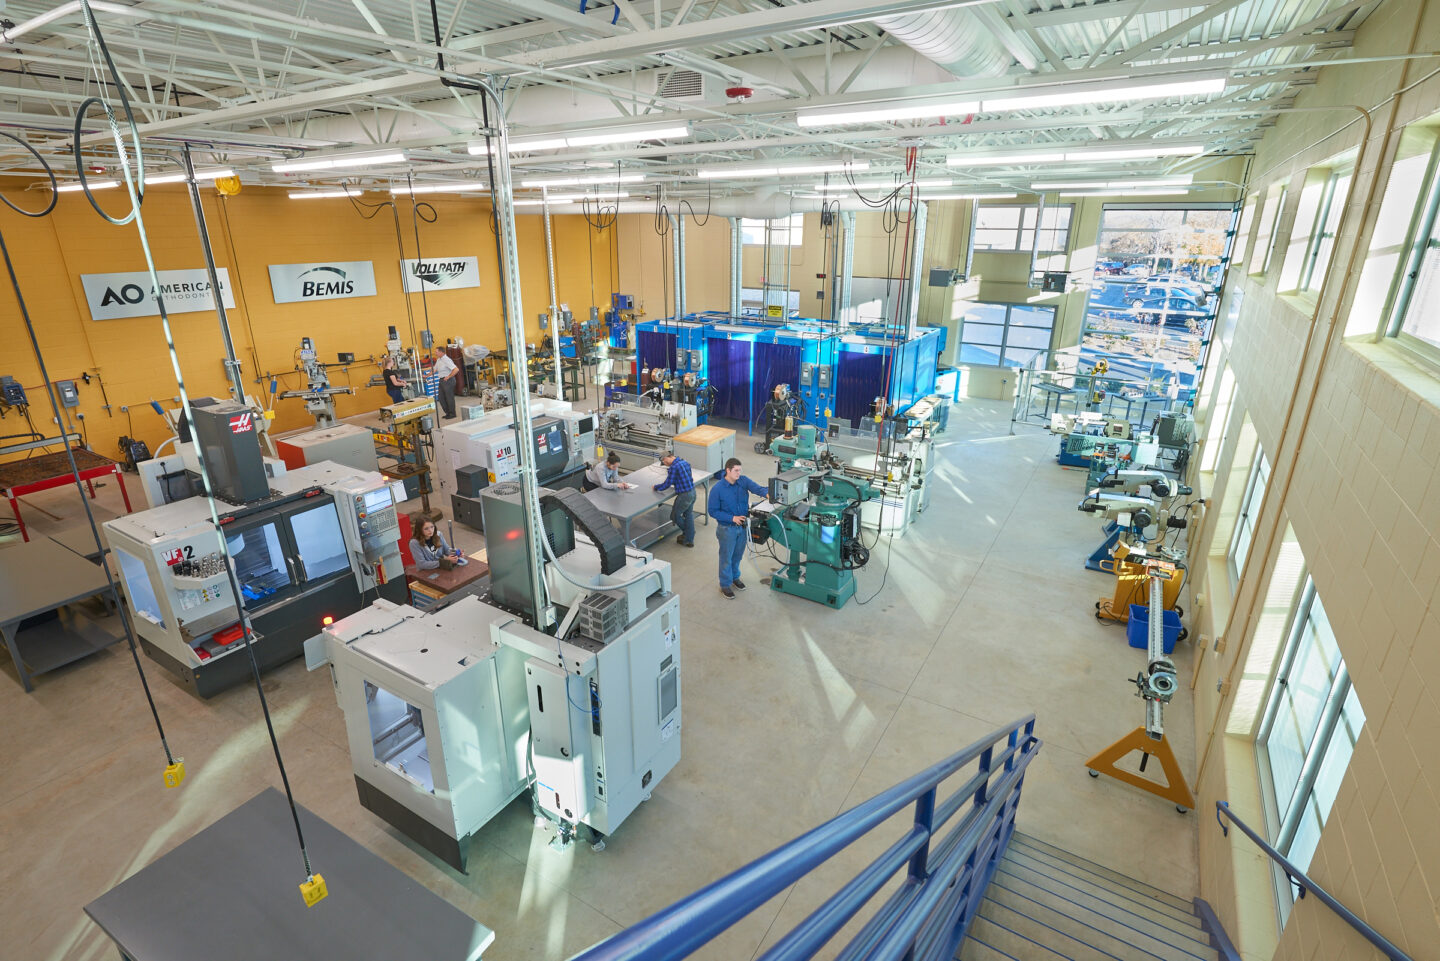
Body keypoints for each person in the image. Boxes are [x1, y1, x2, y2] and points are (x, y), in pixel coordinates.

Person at [707, 456, 767, 598]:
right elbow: (713, 511)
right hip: (727, 529)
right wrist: (732, 518)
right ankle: (725, 584)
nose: (738, 474)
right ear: (728, 470)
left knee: (738, 556)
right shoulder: (717, 489)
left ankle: (735, 577)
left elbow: (757, 488)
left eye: (740, 470)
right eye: (736, 471)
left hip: (743, 527)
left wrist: (767, 493)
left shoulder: (743, 481)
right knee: (726, 557)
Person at [653, 450, 695, 548]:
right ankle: (690, 538)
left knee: (675, 516)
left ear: (666, 457)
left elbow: (667, 484)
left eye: (664, 462)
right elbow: (686, 477)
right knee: (688, 514)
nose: (666, 464)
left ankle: (688, 534)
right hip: (693, 492)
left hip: (684, 495)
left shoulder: (674, 467)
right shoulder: (685, 462)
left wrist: (656, 487)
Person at [760, 384, 794, 452]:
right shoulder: (775, 402)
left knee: (783, 423)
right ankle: (769, 446)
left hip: (782, 408)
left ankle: (781, 443)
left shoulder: (784, 400)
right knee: (774, 426)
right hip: (778, 408)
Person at [432, 345, 459, 419]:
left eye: (436, 352)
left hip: (448, 380)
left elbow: (456, 369)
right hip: (441, 380)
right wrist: (426, 376)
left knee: (449, 397)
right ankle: (447, 413)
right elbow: (434, 370)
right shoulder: (439, 360)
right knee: (441, 398)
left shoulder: (447, 360)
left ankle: (452, 414)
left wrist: (449, 376)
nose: (435, 353)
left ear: (441, 352)